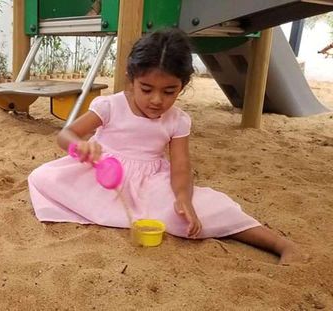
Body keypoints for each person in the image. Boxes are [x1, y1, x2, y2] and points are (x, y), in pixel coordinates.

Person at [27, 28, 304, 265]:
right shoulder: (110, 106)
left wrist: (183, 197)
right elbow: (66, 135)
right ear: (131, 79)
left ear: (182, 86)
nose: (157, 100)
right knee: (42, 178)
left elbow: (181, 167)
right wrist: (80, 148)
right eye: (146, 89)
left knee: (207, 208)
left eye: (169, 91)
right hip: (101, 174)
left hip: (149, 183)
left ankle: (280, 244)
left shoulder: (178, 120)